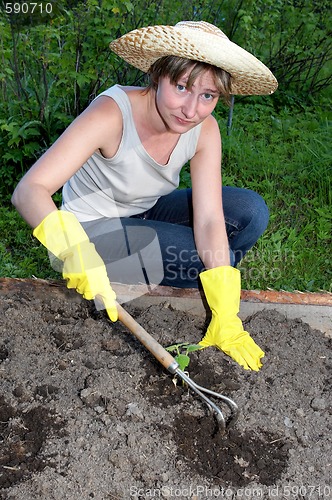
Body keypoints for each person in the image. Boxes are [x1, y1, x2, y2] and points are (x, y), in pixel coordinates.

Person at [12, 21, 278, 371]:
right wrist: (73, 250)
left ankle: (207, 304)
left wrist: (228, 312)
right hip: (91, 233)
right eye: (182, 87)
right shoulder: (112, 113)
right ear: (157, 74)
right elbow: (29, 190)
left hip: (144, 214)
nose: (191, 109)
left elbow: (212, 217)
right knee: (207, 258)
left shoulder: (204, 128)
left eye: (208, 96)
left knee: (249, 211)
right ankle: (116, 278)